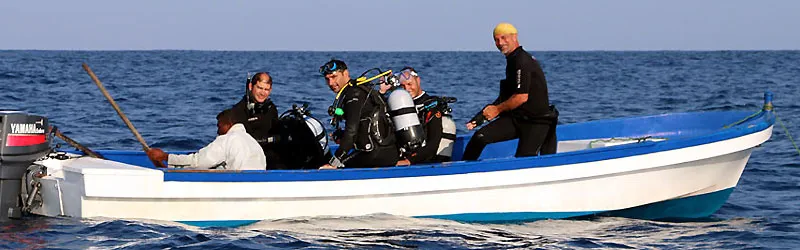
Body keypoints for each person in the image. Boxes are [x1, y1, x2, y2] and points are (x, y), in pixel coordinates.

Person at [462, 22, 558, 161]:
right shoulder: (512, 60)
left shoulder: (522, 61)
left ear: (514, 37)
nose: (500, 43)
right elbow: (505, 97)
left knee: (524, 160)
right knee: (480, 137)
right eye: (496, 39)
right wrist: (480, 118)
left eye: (503, 38)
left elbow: (521, 97)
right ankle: (464, 170)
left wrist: (497, 110)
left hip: (537, 122)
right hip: (517, 118)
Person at [318, 59, 399, 169]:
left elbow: (351, 130)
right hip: (389, 152)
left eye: (334, 77)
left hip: (374, 153)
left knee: (328, 165)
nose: (331, 83)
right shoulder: (361, 89)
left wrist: (335, 161)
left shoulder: (353, 94)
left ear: (345, 74)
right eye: (327, 79)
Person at [146, 109, 267, 170]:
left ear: (228, 124)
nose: (218, 131)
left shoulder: (227, 139)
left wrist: (166, 157)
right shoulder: (253, 142)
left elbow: (198, 162)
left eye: (219, 126)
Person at [393, 67, 456, 165]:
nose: (407, 89)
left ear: (418, 80)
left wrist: (409, 161)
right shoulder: (399, 105)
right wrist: (382, 92)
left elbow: (434, 142)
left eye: (410, 84)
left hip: (428, 161)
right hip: (405, 155)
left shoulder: (431, 106)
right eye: (402, 86)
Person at [231, 72, 282, 169]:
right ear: (251, 86)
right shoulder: (238, 110)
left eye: (266, 89)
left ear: (270, 90)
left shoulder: (271, 108)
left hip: (271, 155)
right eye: (259, 88)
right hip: (250, 159)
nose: (263, 93)